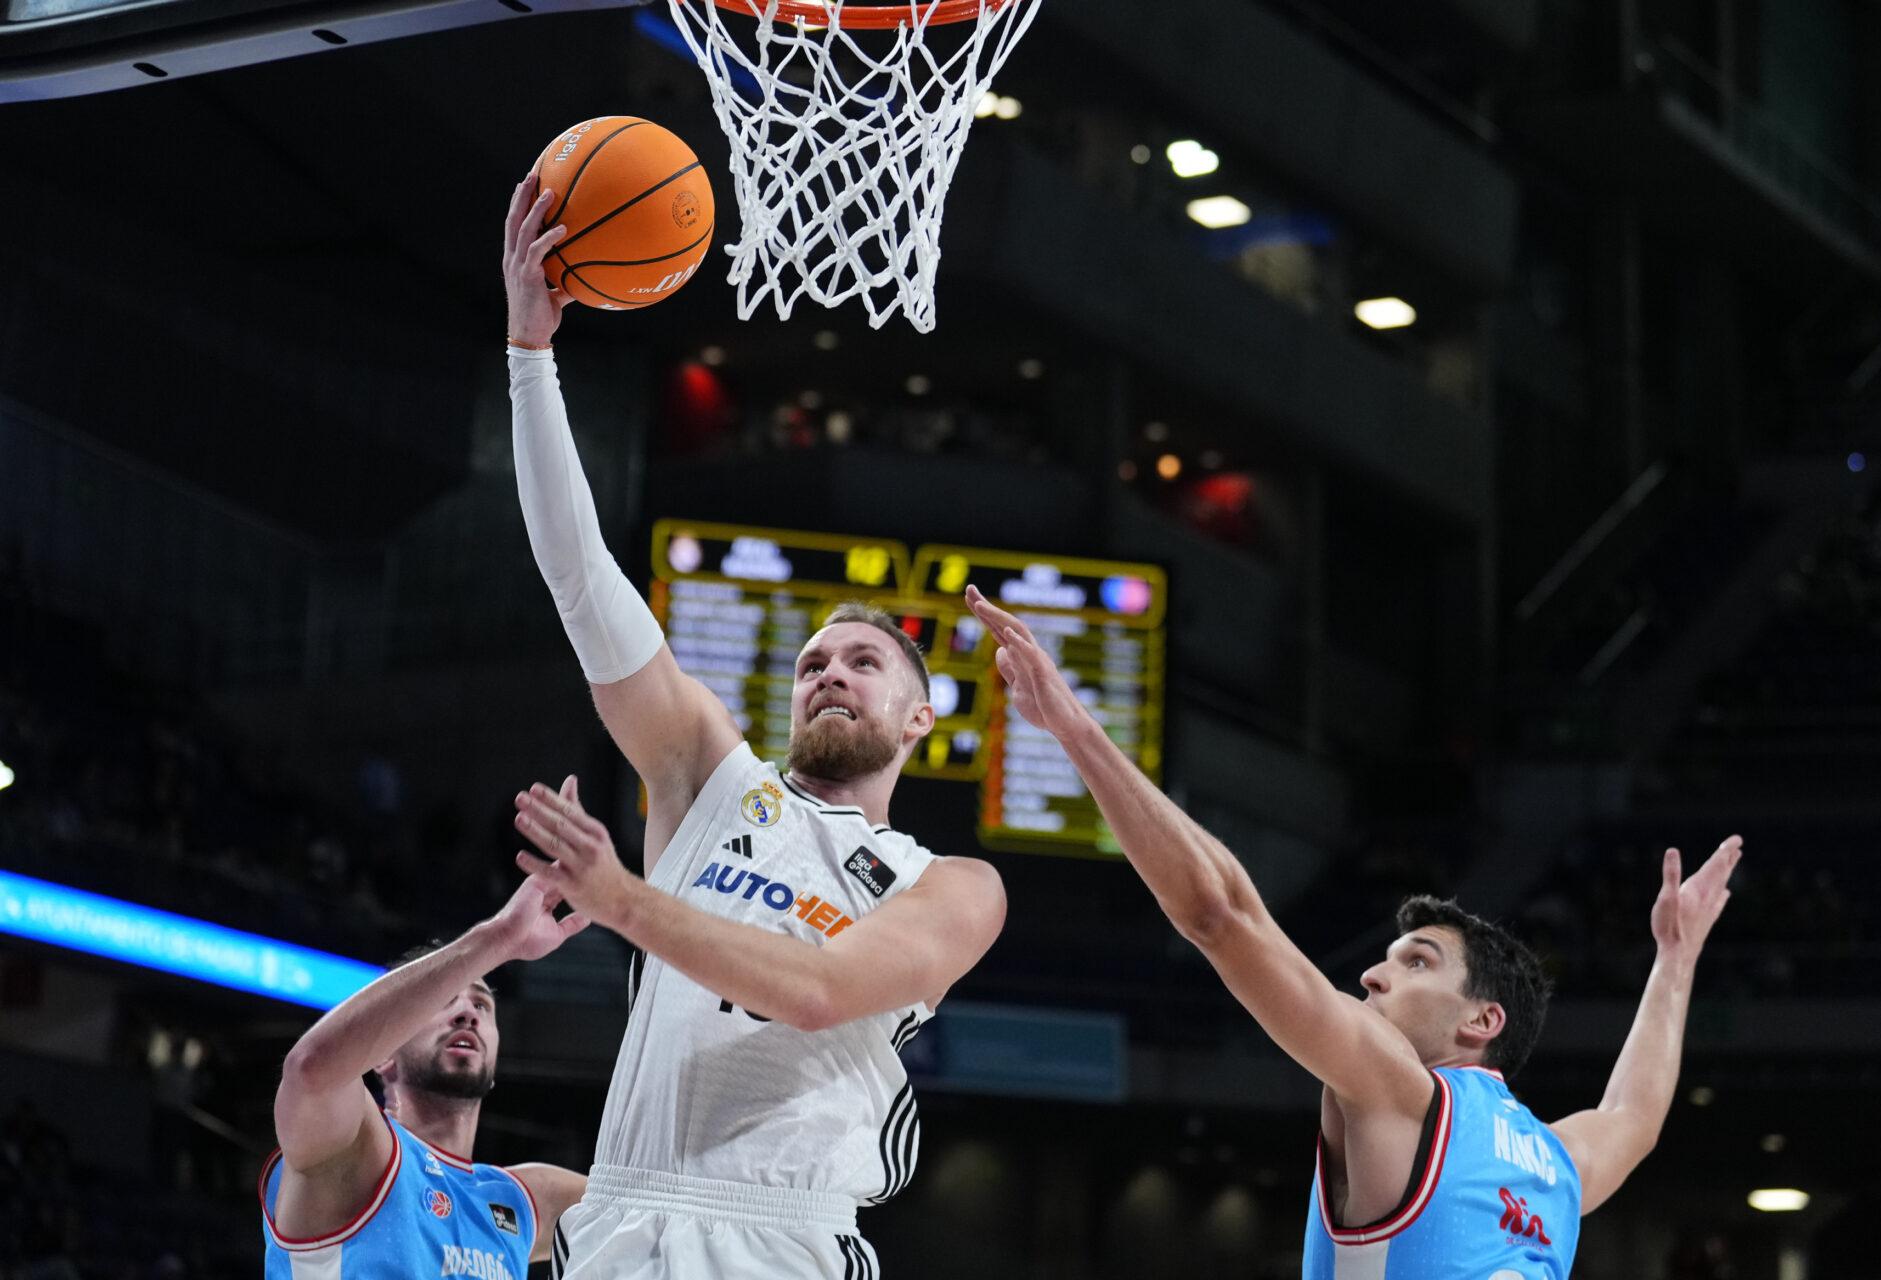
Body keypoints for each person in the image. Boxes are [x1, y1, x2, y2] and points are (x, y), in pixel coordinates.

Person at [499, 171, 1008, 1280]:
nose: (829, 672)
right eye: (814, 660)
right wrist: (530, 357)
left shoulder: (949, 883)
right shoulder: (708, 781)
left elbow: (820, 990)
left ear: (920, 717)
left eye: (863, 661)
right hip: (623, 1220)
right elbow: (583, 585)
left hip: (781, 1234)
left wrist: (620, 894)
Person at [965, 587, 1743, 1280]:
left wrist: (1073, 728)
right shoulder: (1557, 1166)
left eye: (1415, 962)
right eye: (1385, 959)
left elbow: (1220, 915)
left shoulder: (1401, 1090)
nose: (1372, 976)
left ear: (1482, 1018)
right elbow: (1634, 1118)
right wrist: (1676, 958)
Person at [262, 877, 590, 1278]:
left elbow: (657, 1203)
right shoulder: (355, 1149)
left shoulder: (518, 1199)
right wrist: (498, 939)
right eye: (445, 1001)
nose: (468, 1013)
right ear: (382, 1054)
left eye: (483, 1005)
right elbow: (310, 1070)